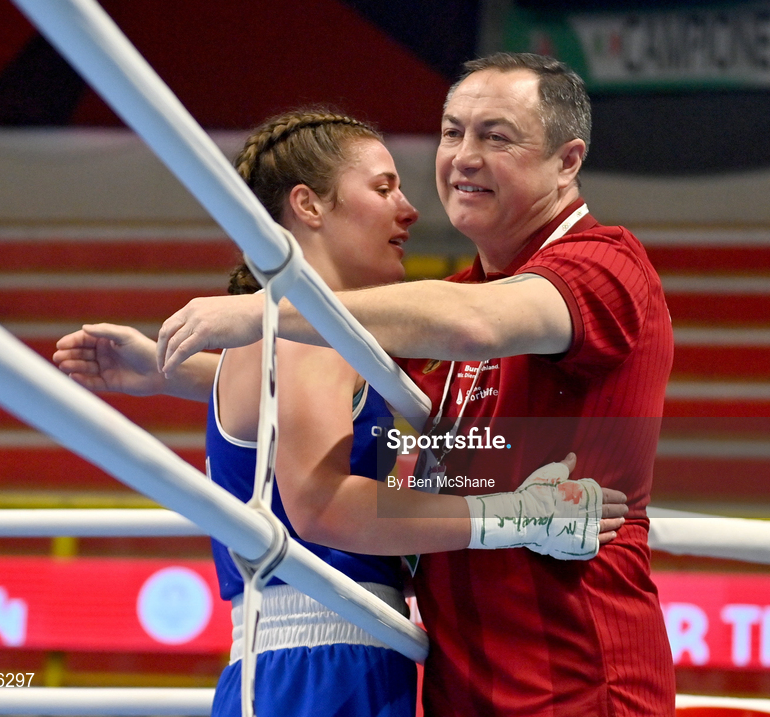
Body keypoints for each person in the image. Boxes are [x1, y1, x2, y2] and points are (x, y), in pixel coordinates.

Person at [54, 107, 628, 717]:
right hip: (325, 662)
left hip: (307, 660)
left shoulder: (295, 338)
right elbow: (323, 506)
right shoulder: (310, 335)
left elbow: (285, 409)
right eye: (383, 188)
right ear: (309, 206)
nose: (408, 209)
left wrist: (169, 374)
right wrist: (517, 516)